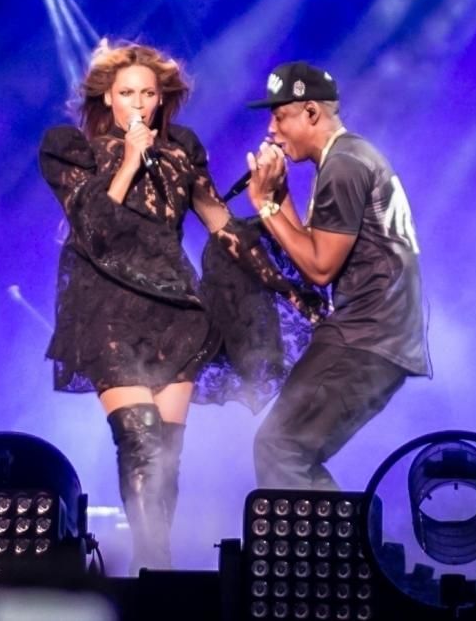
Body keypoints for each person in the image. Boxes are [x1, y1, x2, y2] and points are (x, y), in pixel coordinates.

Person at [39, 41, 320, 574]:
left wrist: (286, 285)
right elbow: (93, 227)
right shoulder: (69, 149)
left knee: (166, 454)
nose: (139, 104)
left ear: (162, 98)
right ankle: (152, 568)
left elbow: (221, 226)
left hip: (178, 313)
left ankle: (157, 570)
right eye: (127, 93)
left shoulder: (182, 149)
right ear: (107, 97)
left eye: (149, 94)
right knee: (139, 439)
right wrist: (129, 158)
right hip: (106, 311)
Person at [245, 61, 431, 490]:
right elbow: (312, 250)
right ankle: (342, 535)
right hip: (379, 336)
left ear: (311, 112)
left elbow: (320, 268)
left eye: (280, 116)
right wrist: (279, 196)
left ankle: (325, 538)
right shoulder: (347, 157)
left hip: (366, 334)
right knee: (290, 451)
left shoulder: (344, 164)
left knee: (279, 447)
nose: (272, 129)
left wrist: (263, 205)